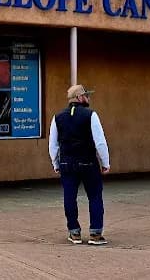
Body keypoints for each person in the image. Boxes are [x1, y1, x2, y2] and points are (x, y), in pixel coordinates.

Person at [48, 84, 110, 246]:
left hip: (67, 163)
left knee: (69, 197)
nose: (88, 98)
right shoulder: (91, 115)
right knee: (95, 196)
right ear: (79, 98)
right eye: (86, 95)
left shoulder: (57, 117)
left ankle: (74, 232)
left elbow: (53, 144)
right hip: (88, 162)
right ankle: (95, 234)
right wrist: (105, 162)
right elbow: (100, 142)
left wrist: (55, 163)